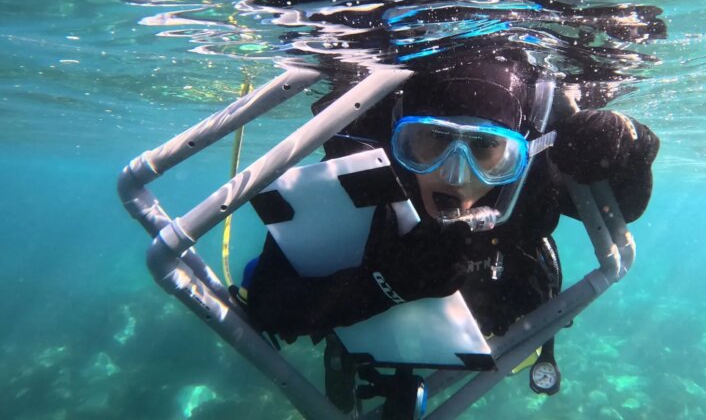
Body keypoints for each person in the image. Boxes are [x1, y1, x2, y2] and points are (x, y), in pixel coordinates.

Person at [239, 47, 659, 407]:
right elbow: (269, 305)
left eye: (486, 148)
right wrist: (387, 285)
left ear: (519, 153)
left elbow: (624, 209)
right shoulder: (362, 174)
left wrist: (634, 142)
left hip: (497, 304)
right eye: (433, 140)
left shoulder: (533, 176)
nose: (456, 175)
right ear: (396, 140)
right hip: (364, 306)